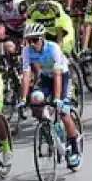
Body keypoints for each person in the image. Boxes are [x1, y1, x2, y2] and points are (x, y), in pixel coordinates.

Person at [17, 22, 82, 166]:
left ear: (43, 38)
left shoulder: (53, 48)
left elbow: (58, 75)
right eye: (29, 40)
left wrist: (58, 99)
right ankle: (46, 126)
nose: (32, 44)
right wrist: (22, 98)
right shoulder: (27, 50)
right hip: (46, 78)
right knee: (35, 99)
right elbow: (26, 74)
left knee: (64, 113)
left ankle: (75, 148)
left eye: (35, 40)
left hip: (62, 77)